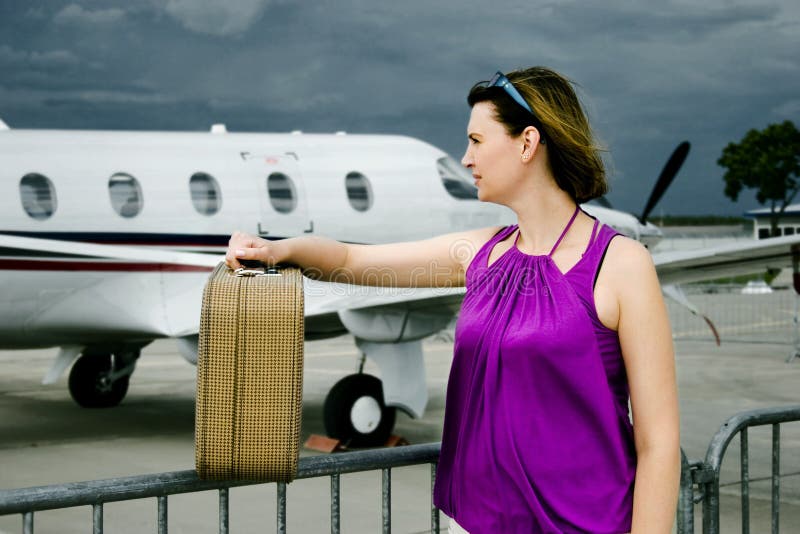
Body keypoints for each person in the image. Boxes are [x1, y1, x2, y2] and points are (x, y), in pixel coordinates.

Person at [226, 66, 680, 533]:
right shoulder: (480, 253)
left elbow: (659, 443)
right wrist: (275, 249)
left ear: (527, 143)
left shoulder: (622, 265)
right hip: (474, 521)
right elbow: (349, 259)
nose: (466, 158)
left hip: (584, 523)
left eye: (477, 141)